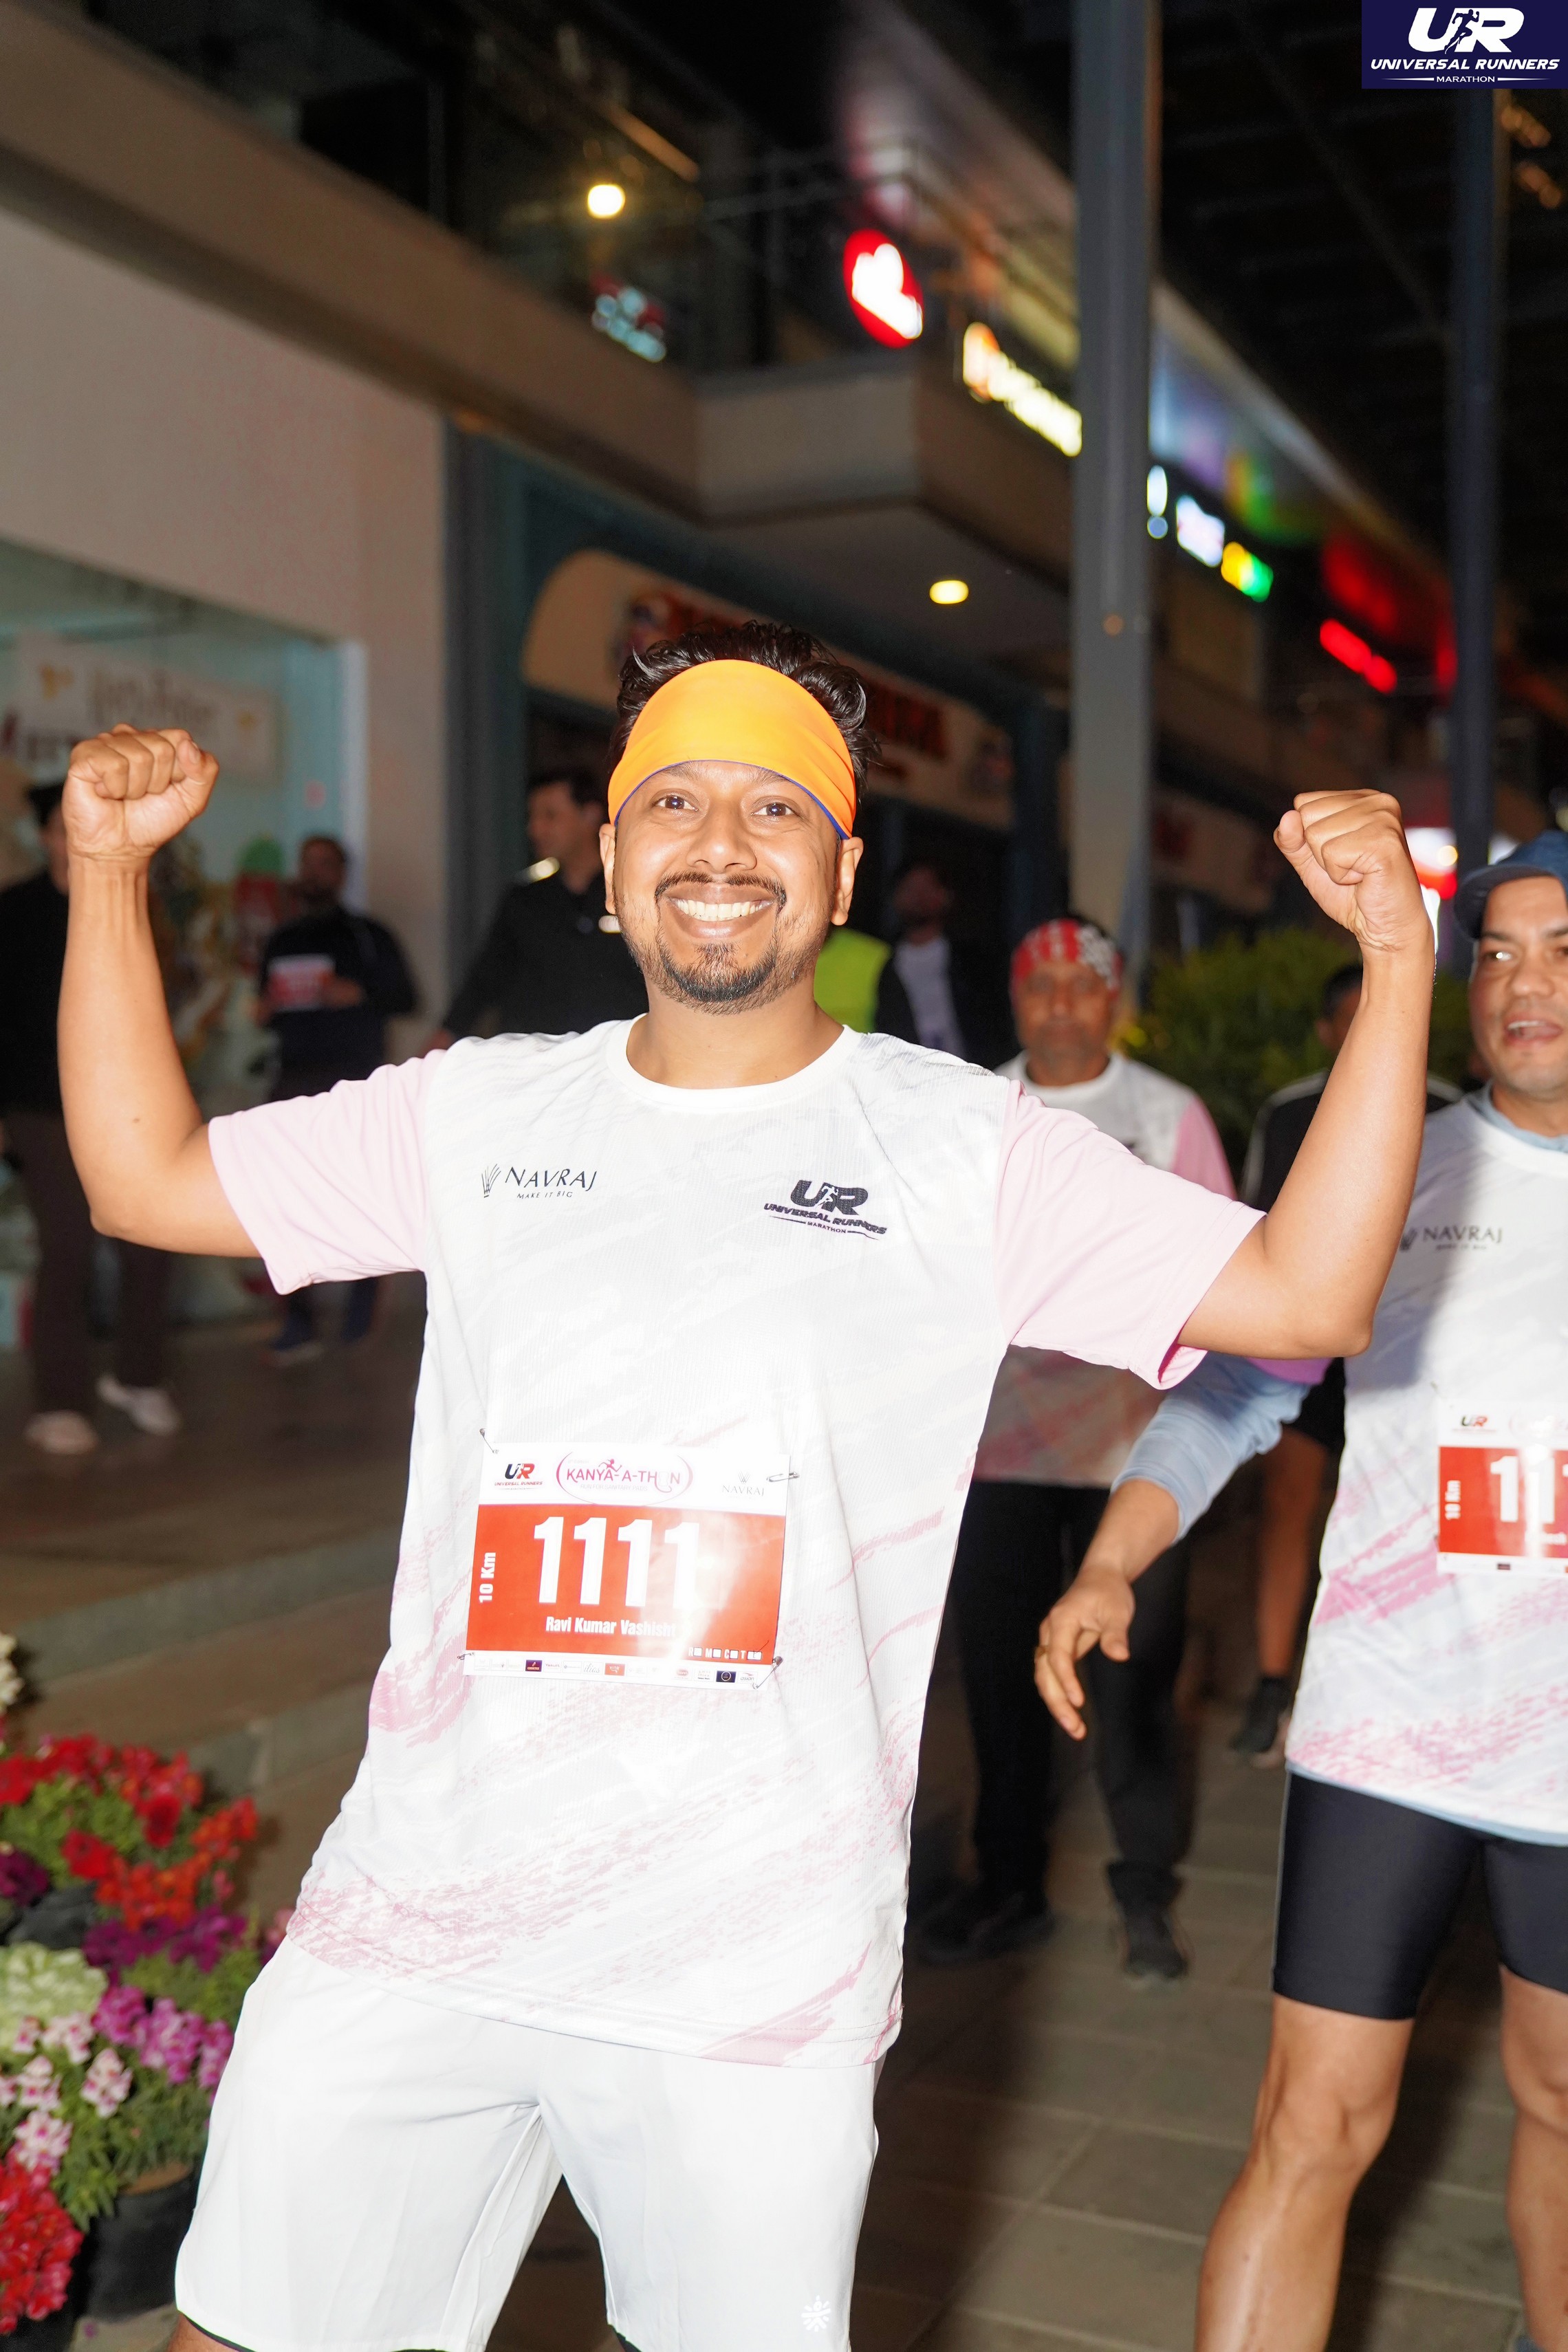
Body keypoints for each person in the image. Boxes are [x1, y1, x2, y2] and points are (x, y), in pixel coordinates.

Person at [56, 619, 1432, 2352]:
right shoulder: (474, 1114)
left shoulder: (964, 1148)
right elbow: (146, 1180)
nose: (720, 843)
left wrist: (1397, 958)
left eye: (776, 808)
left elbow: (1306, 1298)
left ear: (841, 873)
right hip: (422, 1907)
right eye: (675, 802)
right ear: (609, 858)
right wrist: (105, 875)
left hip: (748, 1966)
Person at [1036, 828, 1568, 2352]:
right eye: (1495, 952)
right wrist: (1114, 1557)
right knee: (1312, 2123)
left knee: (1560, 2097)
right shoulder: (1394, 1160)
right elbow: (1232, 1392)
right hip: (1388, 1729)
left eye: (1562, 951)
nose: (1521, 984)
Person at [919, 914, 1237, 1981]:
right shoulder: (974, 1111)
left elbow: (1223, 1277)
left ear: (1114, 1000)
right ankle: (1009, 1883)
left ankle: (1144, 1887)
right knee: (1000, 1681)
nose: (1060, 1003)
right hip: (998, 1450)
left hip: (1132, 1457)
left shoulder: (1167, 1116)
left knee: (1136, 1682)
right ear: (1016, 1000)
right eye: (1039, 984)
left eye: (1082, 983)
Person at [1232, 964, 1460, 1764]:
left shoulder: (1450, 1112)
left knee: (1413, 1509)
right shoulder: (1290, 1112)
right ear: (1329, 1031)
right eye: (1352, 1018)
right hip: (1307, 1348)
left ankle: (1415, 1681)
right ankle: (1272, 1684)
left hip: (1411, 1351)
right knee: (1288, 1501)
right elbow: (1253, 1227)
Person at [0, 781, 177, 1452]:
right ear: (46, 836)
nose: (73, 839)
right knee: (69, 1244)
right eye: (62, 828)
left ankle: (139, 1378)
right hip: (38, 1105)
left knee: (152, 1241)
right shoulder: (14, 912)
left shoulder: (127, 906)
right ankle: (61, 1402)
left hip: (123, 1105)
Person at [257, 834, 416, 1363]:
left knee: (363, 1196)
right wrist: (264, 1009)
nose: (314, 873)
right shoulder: (281, 940)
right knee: (285, 1200)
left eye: (324, 864)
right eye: (307, 863)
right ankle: (297, 1322)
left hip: (354, 1083)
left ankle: (359, 1319)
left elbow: (407, 997)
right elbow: (266, 1006)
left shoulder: (368, 936)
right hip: (292, 1080)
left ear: (343, 873)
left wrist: (359, 994)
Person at [435, 765, 647, 1042]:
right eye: (532, 817)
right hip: (538, 1057)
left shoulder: (633, 894)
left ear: (589, 814)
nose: (536, 829)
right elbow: (483, 982)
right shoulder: (526, 900)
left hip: (618, 1053)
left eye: (550, 816)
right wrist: (438, 1047)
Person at [874, 856, 1012, 1065]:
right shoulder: (882, 960)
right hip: (908, 1073)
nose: (919, 897)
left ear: (945, 896)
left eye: (927, 888)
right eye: (910, 888)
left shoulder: (975, 961)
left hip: (973, 1071)